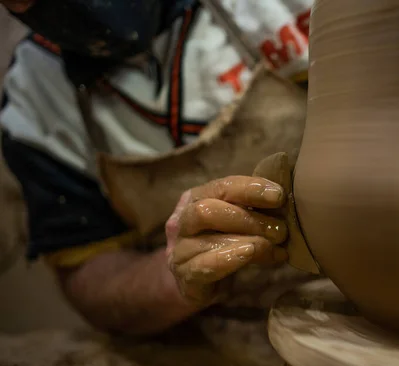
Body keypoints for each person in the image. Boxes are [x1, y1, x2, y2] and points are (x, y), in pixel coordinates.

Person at [0, 0, 313, 335]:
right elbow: (86, 271)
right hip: (211, 339)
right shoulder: (31, 98)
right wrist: (176, 274)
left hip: (346, 306)